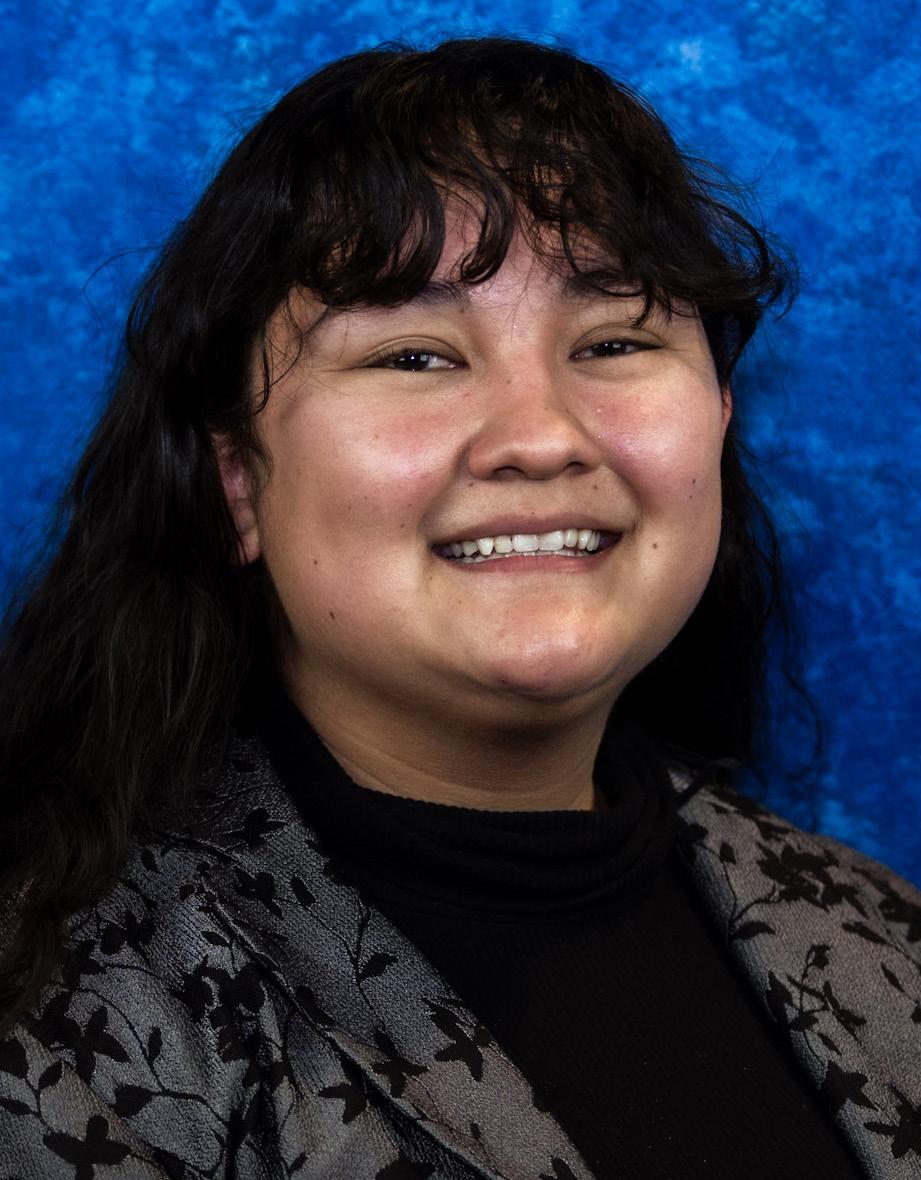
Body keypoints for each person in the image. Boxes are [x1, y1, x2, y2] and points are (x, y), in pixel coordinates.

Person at [0, 35, 918, 1180]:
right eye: (415, 357)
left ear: (719, 419)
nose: (541, 436)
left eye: (615, 340)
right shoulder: (68, 1028)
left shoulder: (885, 936)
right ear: (236, 482)